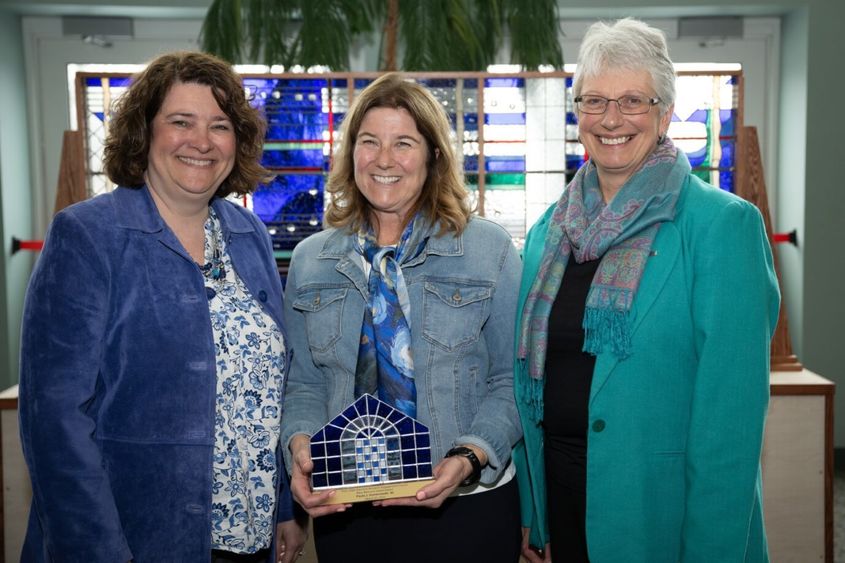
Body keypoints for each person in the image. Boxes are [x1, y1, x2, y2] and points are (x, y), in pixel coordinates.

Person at [18, 51, 307, 563]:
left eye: (219, 126)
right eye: (181, 122)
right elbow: (55, 423)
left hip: (248, 539)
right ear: (144, 132)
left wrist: (283, 506)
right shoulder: (87, 236)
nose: (201, 141)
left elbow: (268, 394)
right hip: (132, 539)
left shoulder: (249, 236)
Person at [514, 18, 780, 563]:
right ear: (578, 114)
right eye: (594, 101)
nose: (611, 119)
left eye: (633, 100)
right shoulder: (548, 232)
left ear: (664, 114)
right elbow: (526, 385)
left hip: (663, 518)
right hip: (563, 510)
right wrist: (533, 514)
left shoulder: (720, 226)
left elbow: (730, 429)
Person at [280, 73, 523, 562]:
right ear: (351, 153)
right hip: (348, 512)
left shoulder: (487, 249)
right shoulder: (310, 260)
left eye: (403, 143)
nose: (384, 159)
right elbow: (304, 383)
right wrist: (299, 447)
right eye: (369, 142)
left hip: (466, 506)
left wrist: (468, 457)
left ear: (433, 155)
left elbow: (512, 379)